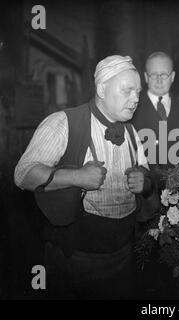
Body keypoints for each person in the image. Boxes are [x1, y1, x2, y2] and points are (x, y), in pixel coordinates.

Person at [14, 55, 154, 299]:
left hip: (124, 253)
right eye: (127, 90)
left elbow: (147, 173)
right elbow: (23, 174)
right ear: (101, 88)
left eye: (138, 92)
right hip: (75, 258)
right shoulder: (62, 123)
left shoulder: (131, 131)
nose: (135, 99)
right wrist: (76, 177)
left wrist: (144, 181)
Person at [131, 51, 179, 189]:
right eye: (153, 75)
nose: (159, 80)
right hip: (144, 196)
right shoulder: (132, 110)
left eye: (164, 74)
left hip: (178, 193)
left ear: (173, 76)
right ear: (146, 77)